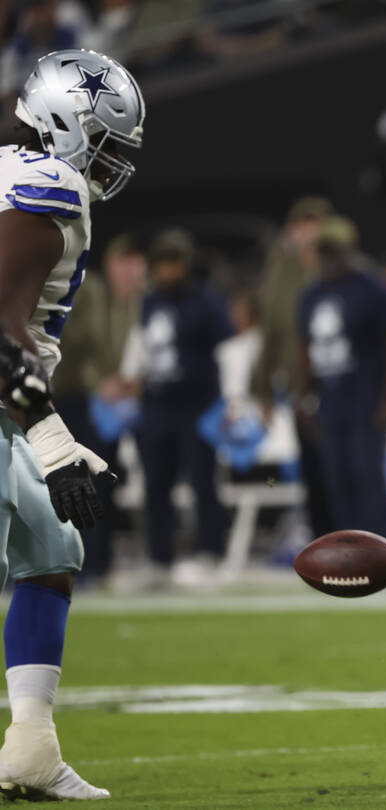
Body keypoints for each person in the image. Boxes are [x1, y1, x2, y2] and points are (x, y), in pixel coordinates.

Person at [0, 47, 144, 800]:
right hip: (8, 395)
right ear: (65, 124)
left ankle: (30, 750)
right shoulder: (48, 185)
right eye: (106, 143)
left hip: (7, 402)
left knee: (52, 550)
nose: (113, 163)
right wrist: (50, 437)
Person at [125, 228, 233, 584]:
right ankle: (159, 559)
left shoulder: (206, 301)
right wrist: (130, 388)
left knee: (203, 482)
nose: (167, 270)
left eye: (173, 262)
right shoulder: (149, 302)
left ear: (186, 264)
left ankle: (211, 554)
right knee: (156, 485)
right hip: (157, 406)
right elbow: (139, 351)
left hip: (197, 407)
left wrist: (231, 400)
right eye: (162, 263)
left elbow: (230, 349)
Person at [297, 216, 386, 540]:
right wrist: (305, 395)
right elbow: (305, 348)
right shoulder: (312, 294)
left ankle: (380, 546)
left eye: (335, 251)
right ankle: (347, 549)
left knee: (366, 475)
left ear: (350, 250)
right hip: (330, 401)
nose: (329, 258)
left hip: (366, 399)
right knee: (337, 479)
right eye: (324, 251)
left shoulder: (372, 289)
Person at [52, 234, 146, 583]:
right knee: (89, 479)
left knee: (111, 481)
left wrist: (132, 383)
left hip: (133, 401)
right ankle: (86, 561)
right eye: (123, 261)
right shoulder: (93, 294)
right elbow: (81, 346)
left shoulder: (145, 302)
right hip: (88, 400)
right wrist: (102, 382)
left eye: (134, 262)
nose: (129, 269)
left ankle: (103, 562)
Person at [252, 195, 335, 537]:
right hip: (300, 384)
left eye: (315, 225)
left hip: (340, 380)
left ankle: (359, 537)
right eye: (302, 225)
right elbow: (270, 331)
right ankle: (324, 539)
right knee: (313, 468)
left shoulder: (340, 265)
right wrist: (263, 391)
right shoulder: (281, 271)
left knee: (344, 467)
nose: (308, 233)